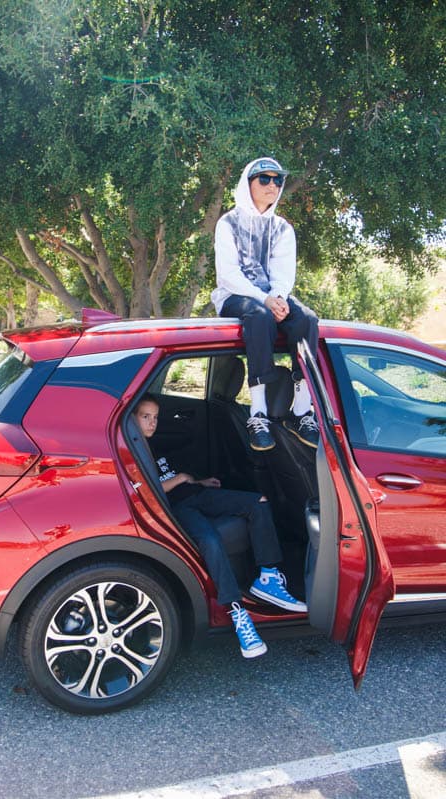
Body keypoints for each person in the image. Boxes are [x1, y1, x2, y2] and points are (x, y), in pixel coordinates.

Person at [134, 394, 306, 660]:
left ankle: (268, 576)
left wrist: (199, 481)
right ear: (132, 418)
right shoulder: (131, 450)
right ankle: (238, 612)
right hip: (177, 509)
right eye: (146, 416)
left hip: (196, 494)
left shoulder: (154, 445)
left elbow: (177, 477)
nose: (152, 423)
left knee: (257, 502)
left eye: (155, 417)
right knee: (210, 539)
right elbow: (149, 490)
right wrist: (180, 479)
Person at [212, 156, 319, 452]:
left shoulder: (282, 228)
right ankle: (258, 413)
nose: (272, 185)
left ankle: (301, 410)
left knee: (307, 319)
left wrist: (280, 298)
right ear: (248, 183)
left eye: (278, 180)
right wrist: (266, 299)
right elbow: (229, 275)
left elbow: (284, 274)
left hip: (273, 295)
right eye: (264, 179)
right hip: (236, 296)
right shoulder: (228, 223)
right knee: (258, 317)